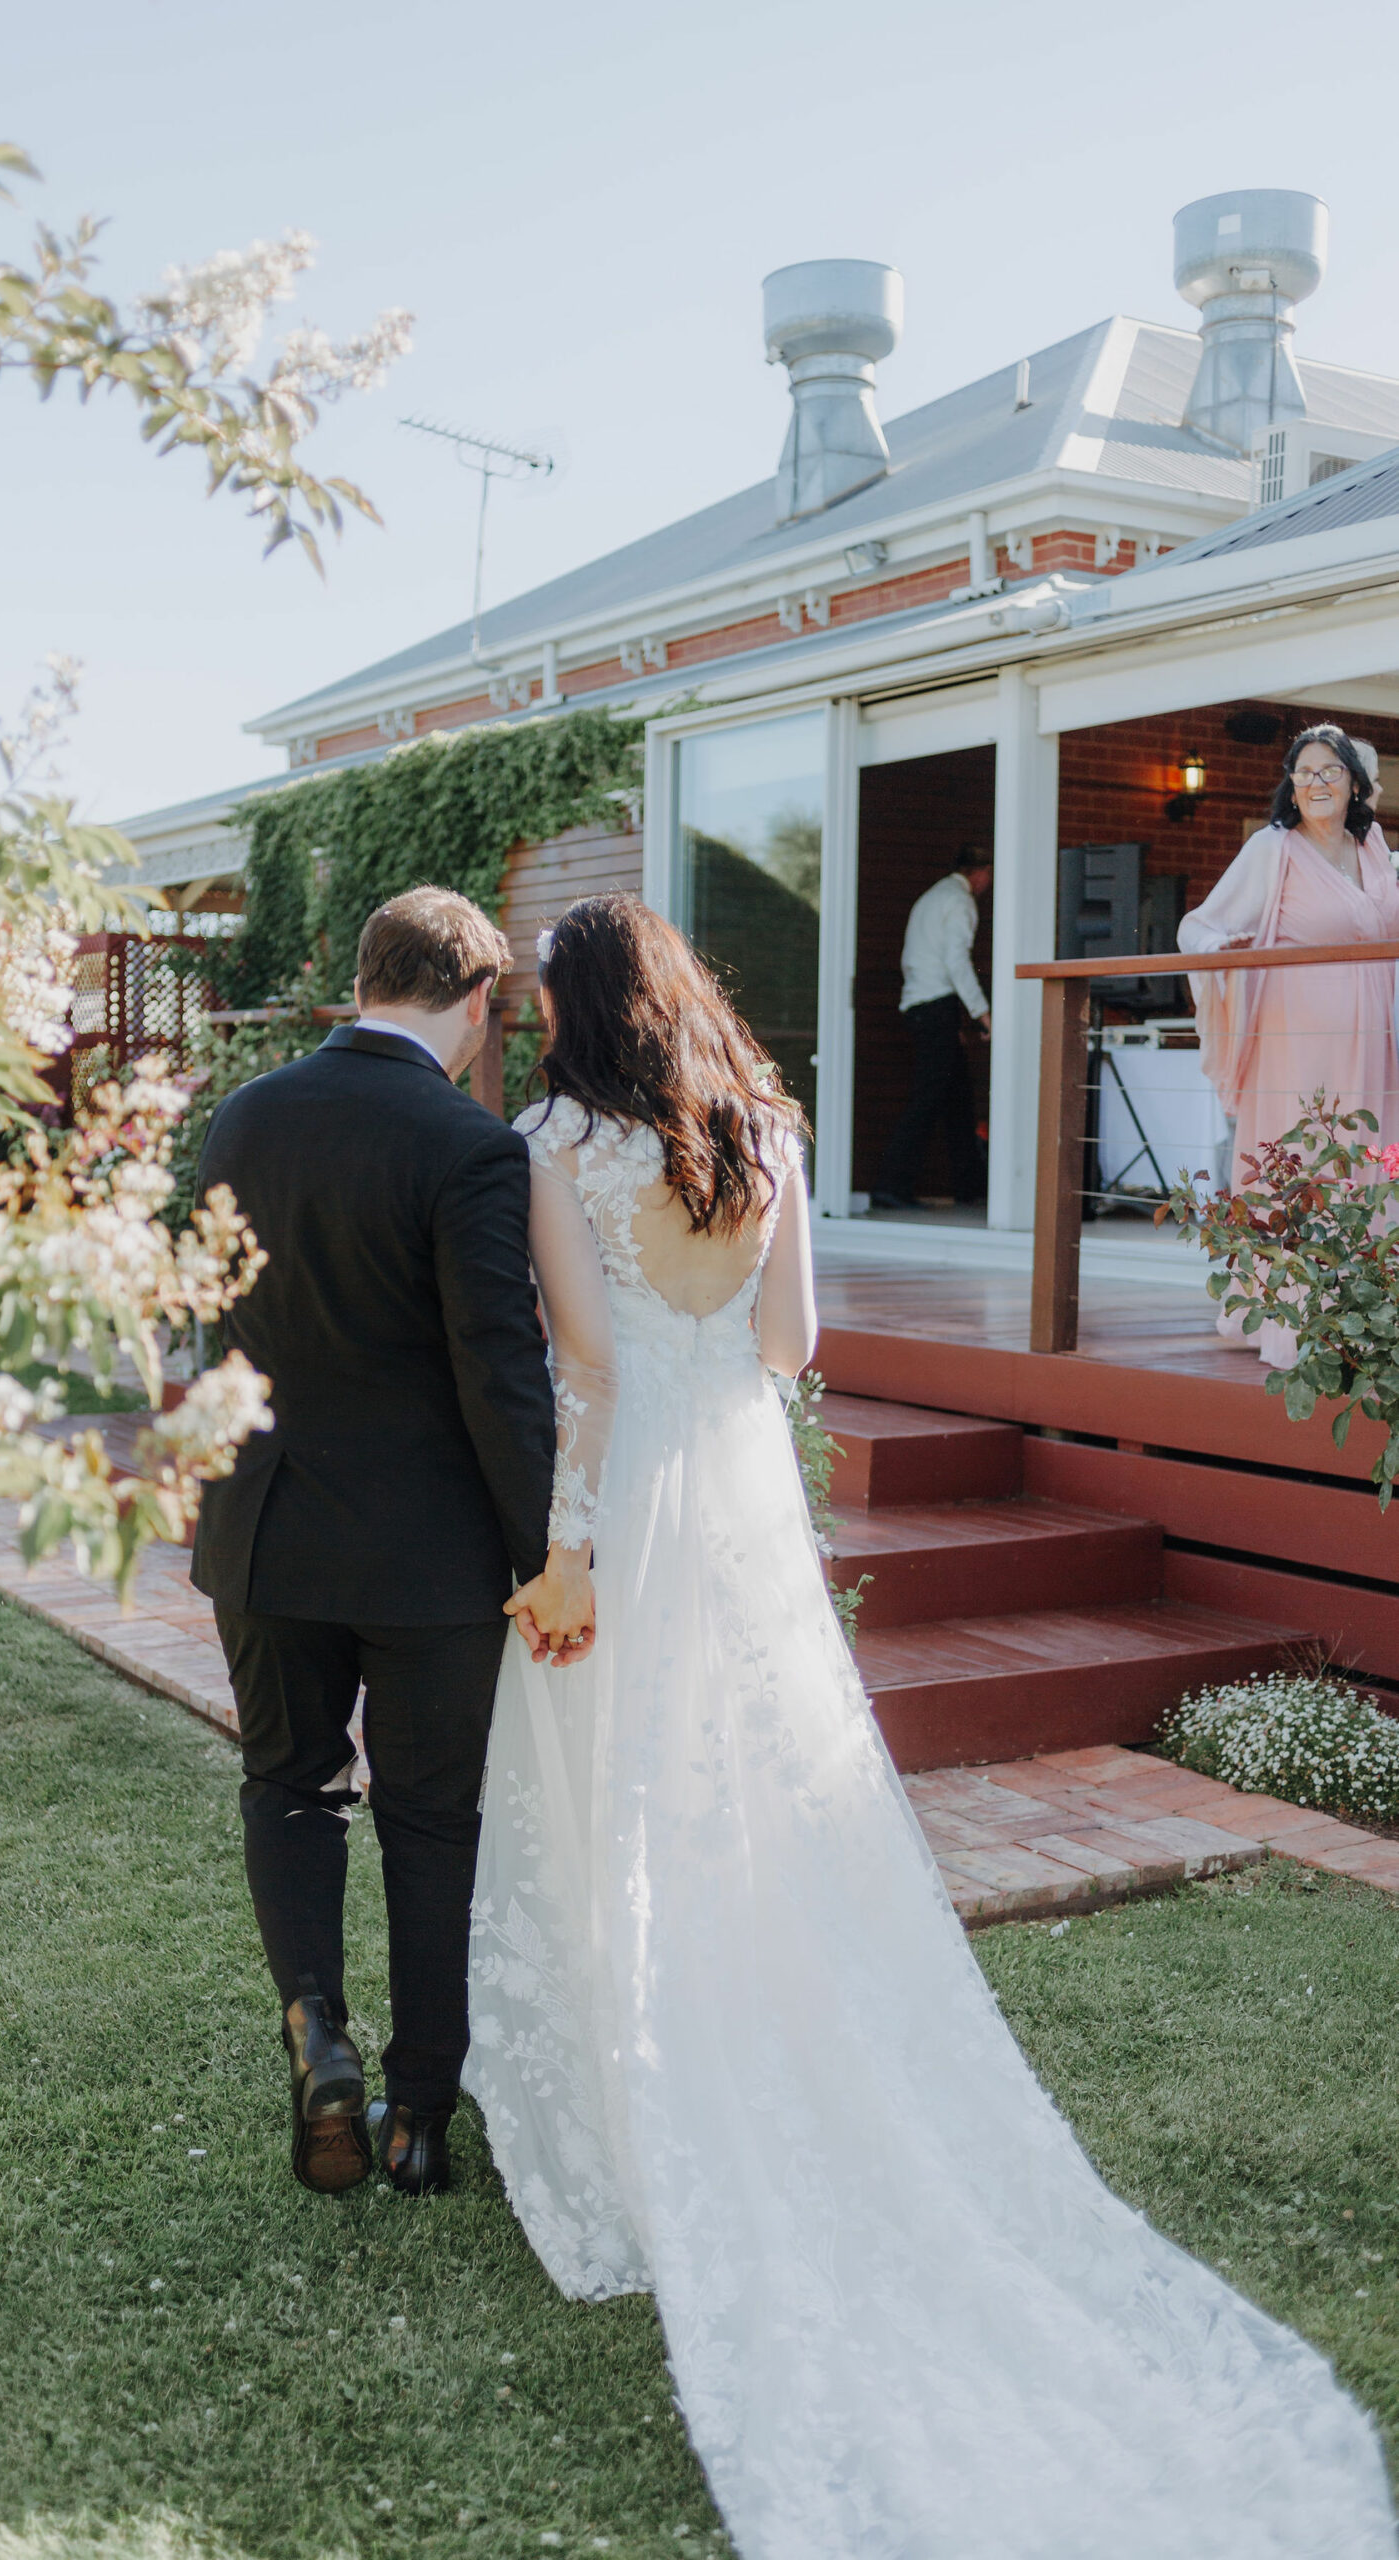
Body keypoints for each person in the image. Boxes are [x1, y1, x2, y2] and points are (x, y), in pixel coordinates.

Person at [467, 891, 1397, 2560]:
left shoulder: (546, 1142)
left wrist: (562, 1543)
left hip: (629, 1504)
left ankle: (639, 2118)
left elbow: (587, 1368)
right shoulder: (761, 1127)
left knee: (617, 1794)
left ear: (569, 1011)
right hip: (746, 1500)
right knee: (760, 1794)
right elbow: (791, 1344)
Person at [192, 886, 557, 2198]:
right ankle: (414, 2119)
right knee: (427, 1826)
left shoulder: (242, 1116)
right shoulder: (466, 1143)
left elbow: (209, 1322)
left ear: (363, 980)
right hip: (426, 1559)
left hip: (266, 1527)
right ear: (473, 1001)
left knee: (288, 1788)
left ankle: (314, 2035)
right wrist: (536, 1548)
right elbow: (496, 1369)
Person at [1179, 725, 1399, 1367]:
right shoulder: (1272, 849)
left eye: (1329, 771)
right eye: (1304, 773)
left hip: (1375, 1033)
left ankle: (1371, 1306)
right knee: (1308, 1157)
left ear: (1356, 782)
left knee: (1373, 1154)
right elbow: (1202, 925)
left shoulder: (1374, 844)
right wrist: (1224, 954)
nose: (1316, 783)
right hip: (1298, 1037)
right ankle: (1291, 1316)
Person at [870, 848, 992, 1209]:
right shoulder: (960, 902)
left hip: (925, 1006)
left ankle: (969, 1188)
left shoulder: (932, 897)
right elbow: (956, 960)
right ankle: (891, 1186)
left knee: (957, 1100)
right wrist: (982, 1014)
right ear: (981, 872)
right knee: (929, 1100)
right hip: (937, 1006)